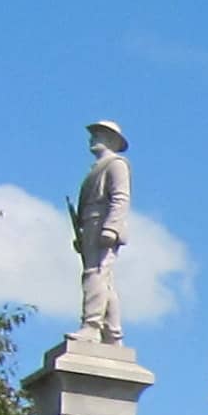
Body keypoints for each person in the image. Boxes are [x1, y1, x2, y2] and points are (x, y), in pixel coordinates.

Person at [71, 120, 132, 341]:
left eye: (99, 134)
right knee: (103, 279)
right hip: (90, 224)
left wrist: (111, 227)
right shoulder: (96, 168)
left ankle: (92, 325)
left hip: (102, 224)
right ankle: (113, 332)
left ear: (112, 140)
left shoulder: (116, 164)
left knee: (95, 274)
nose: (93, 138)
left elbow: (120, 198)